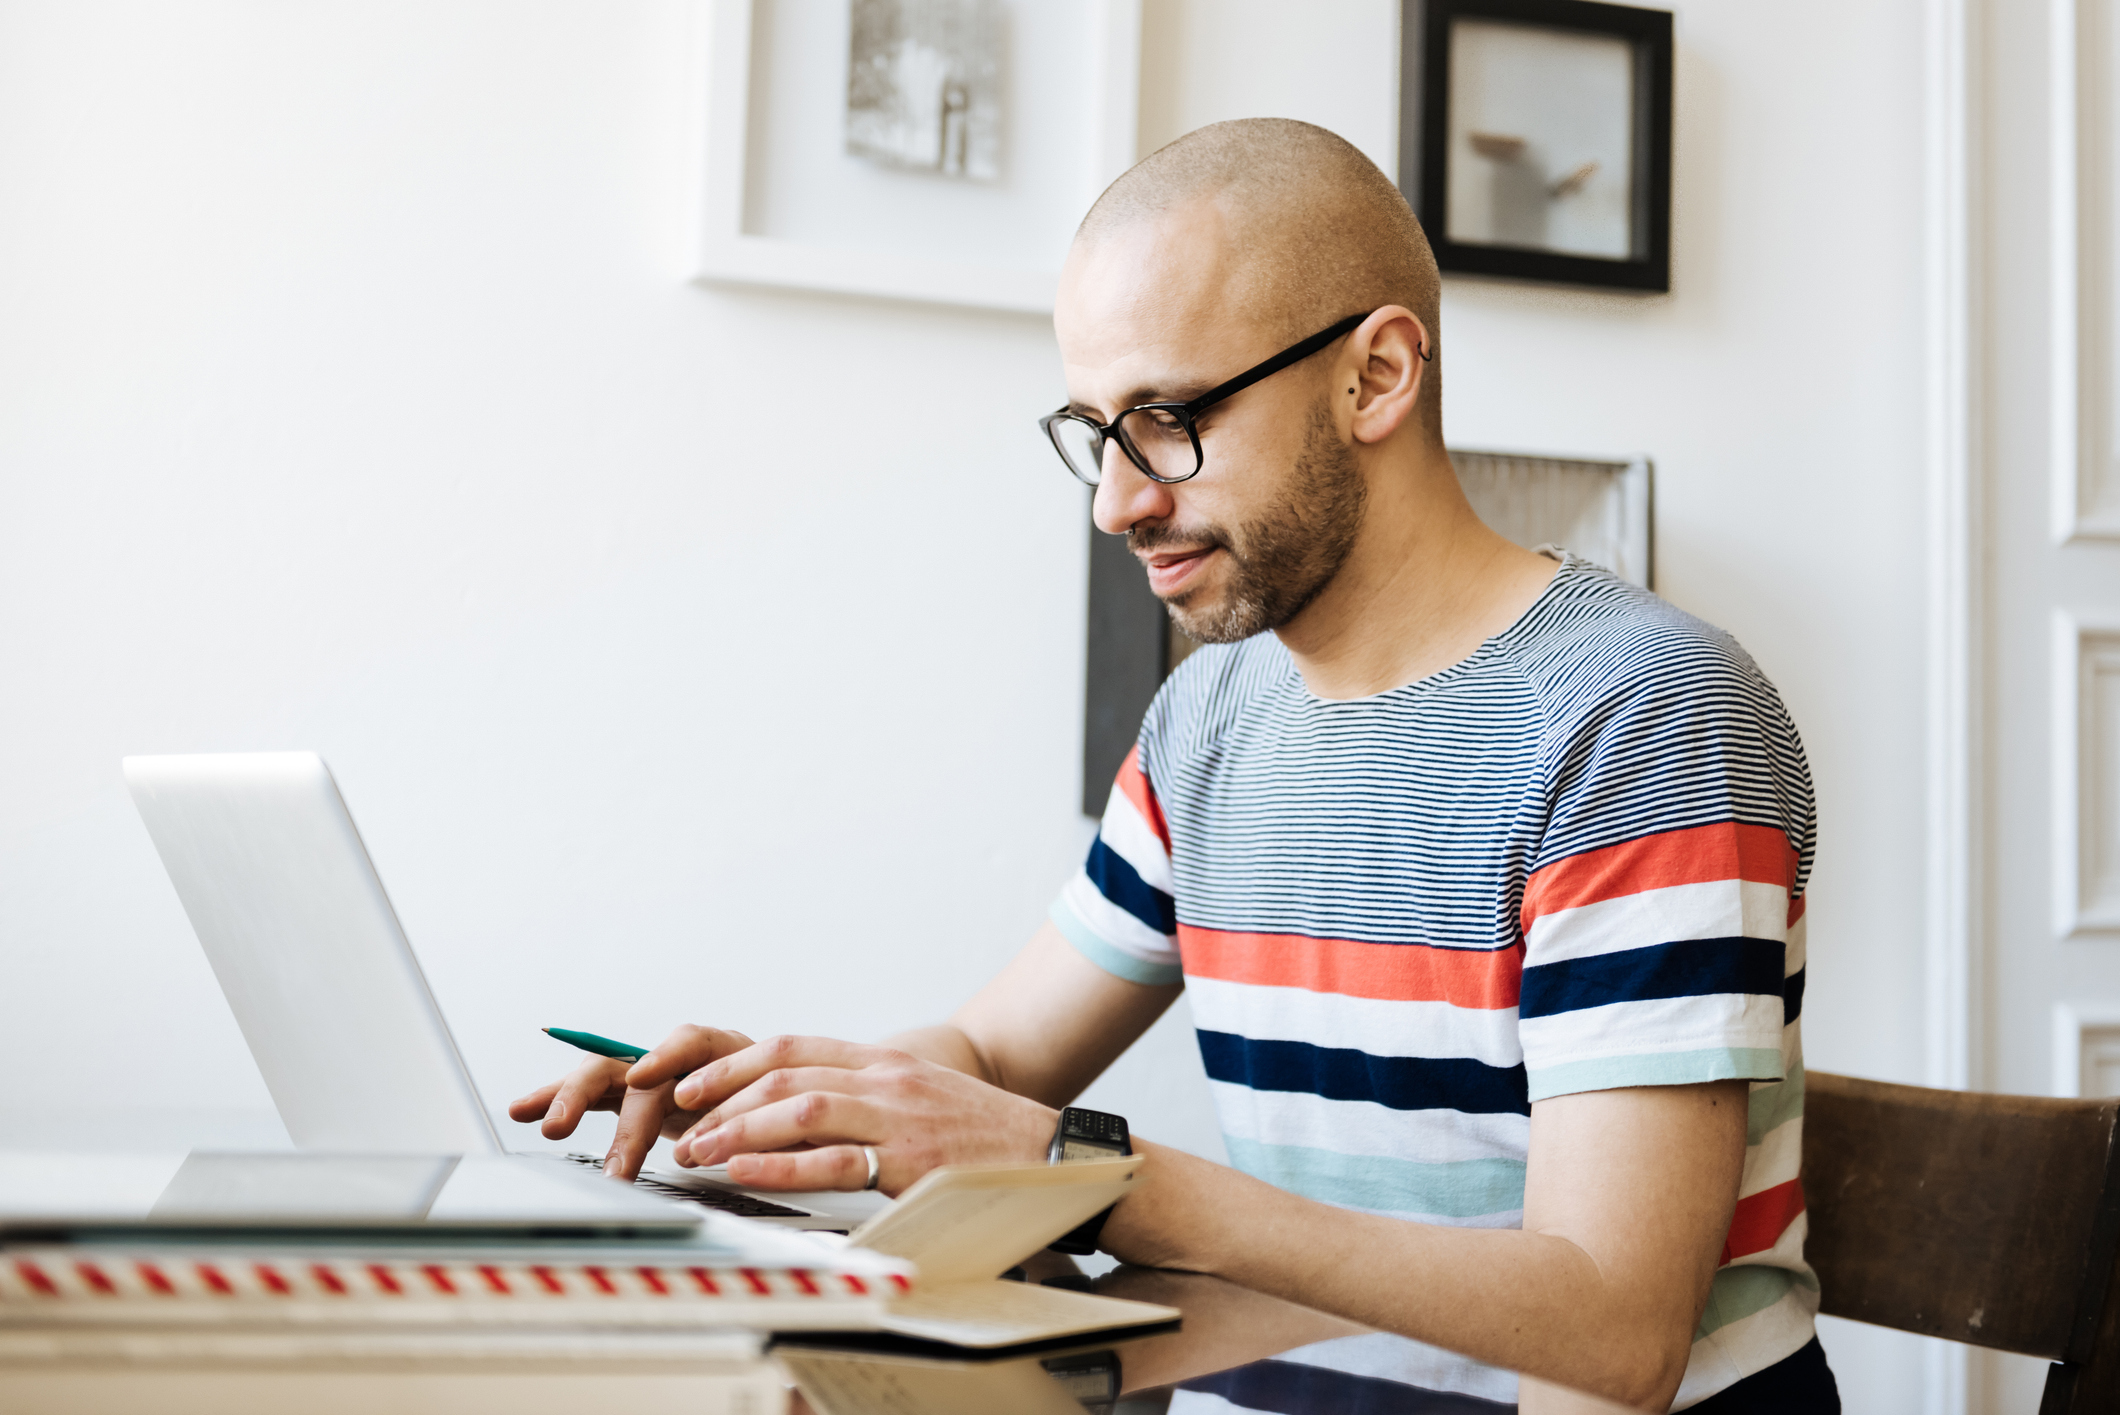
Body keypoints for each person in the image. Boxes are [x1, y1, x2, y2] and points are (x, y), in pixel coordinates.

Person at [513, 119, 1834, 1412]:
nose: (1117, 500)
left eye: (1165, 418)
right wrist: (782, 1101)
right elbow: (994, 1052)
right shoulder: (1209, 718)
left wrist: (1096, 1172)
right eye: (1098, 431)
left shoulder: (1641, 720)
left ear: (1376, 375)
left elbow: (1619, 1332)